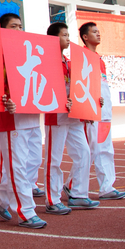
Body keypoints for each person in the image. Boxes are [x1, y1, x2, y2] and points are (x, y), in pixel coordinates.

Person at [0, 13, 48, 228]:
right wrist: (5, 99)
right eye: (13, 26)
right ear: (2, 30)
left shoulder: (28, 52)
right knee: (17, 165)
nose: (18, 31)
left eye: (20, 26)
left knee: (33, 161)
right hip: (12, 119)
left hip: (31, 116)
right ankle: (26, 211)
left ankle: (0, 198)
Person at [42, 21, 88, 213]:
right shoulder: (47, 62)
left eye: (69, 35)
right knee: (54, 159)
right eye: (64, 35)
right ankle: (52, 199)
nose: (68, 38)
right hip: (56, 116)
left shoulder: (70, 63)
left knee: (85, 153)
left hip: (74, 116)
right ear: (54, 38)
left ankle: (76, 192)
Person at [77, 22, 125, 201]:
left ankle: (106, 186)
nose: (98, 34)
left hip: (104, 112)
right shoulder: (82, 57)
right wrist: (85, 110)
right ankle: (72, 185)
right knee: (89, 150)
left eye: (98, 32)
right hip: (91, 112)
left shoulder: (100, 59)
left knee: (105, 148)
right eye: (94, 32)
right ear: (85, 37)